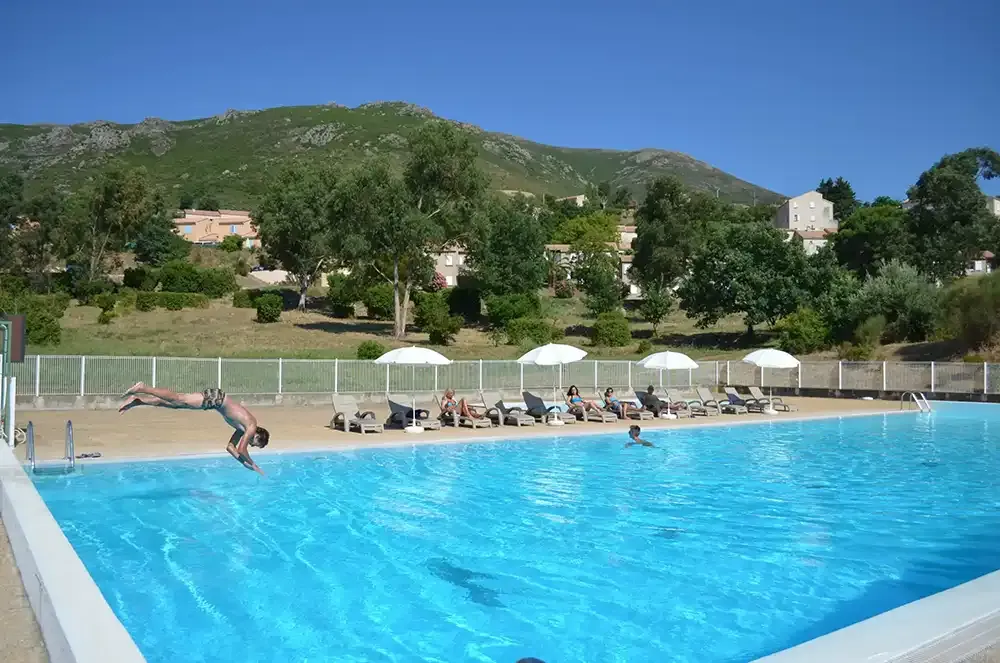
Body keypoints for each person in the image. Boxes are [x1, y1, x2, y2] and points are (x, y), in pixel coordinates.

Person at [119, 382, 268, 475]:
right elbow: (242, 450)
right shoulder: (251, 425)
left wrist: (243, 463)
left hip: (215, 402)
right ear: (257, 436)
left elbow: (230, 447)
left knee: (176, 404)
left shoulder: (243, 428)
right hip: (217, 399)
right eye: (255, 444)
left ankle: (138, 401)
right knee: (179, 398)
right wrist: (253, 465)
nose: (251, 444)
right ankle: (143, 388)